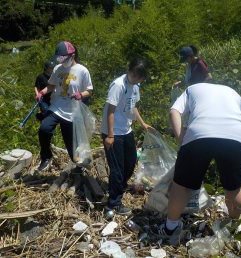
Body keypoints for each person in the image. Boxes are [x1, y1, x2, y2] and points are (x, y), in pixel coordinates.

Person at [154, 83, 241, 245]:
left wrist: (181, 138)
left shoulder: (191, 89)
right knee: (234, 188)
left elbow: (173, 112)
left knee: (181, 186)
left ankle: (170, 228)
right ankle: (232, 227)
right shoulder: (235, 94)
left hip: (199, 134)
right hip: (235, 138)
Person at [101, 57, 153, 215]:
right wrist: (110, 136)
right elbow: (110, 111)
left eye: (139, 77)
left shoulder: (135, 86)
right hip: (113, 132)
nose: (135, 78)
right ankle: (112, 204)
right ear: (128, 70)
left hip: (126, 130)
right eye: (133, 75)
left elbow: (133, 106)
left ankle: (117, 187)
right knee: (117, 169)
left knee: (130, 162)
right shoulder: (118, 85)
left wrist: (143, 124)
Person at [36, 41, 93, 171]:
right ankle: (46, 157)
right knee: (44, 129)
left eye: (63, 58)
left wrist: (81, 94)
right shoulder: (57, 68)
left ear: (72, 56)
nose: (60, 61)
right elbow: (52, 85)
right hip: (57, 107)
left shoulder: (82, 70)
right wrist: (42, 92)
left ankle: (79, 165)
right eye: (59, 58)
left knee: (71, 143)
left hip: (72, 111)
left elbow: (89, 90)